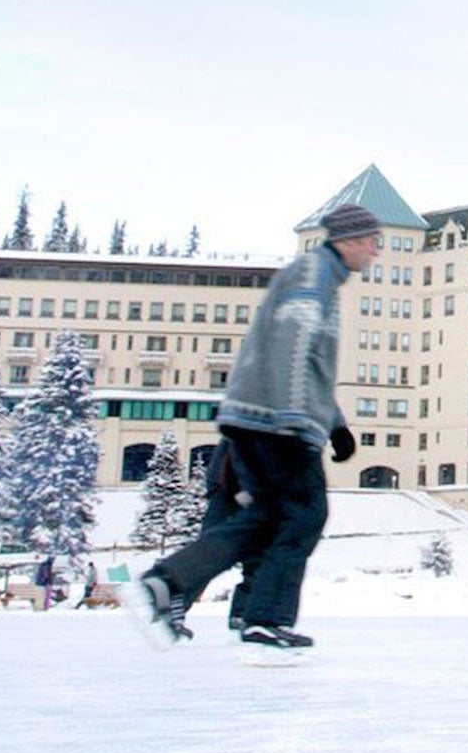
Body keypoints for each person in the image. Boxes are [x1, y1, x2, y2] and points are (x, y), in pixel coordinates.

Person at [121, 202, 378, 663]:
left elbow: (309, 361)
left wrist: (334, 422)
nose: (376, 253)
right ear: (350, 240)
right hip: (276, 420)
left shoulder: (319, 278)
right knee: (302, 515)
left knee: (267, 518)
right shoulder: (312, 275)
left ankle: (175, 586)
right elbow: (291, 348)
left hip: (265, 416)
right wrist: (295, 420)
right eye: (372, 242)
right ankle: (260, 618)